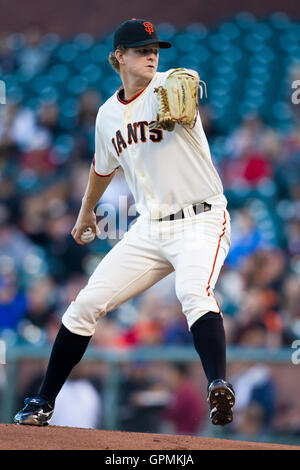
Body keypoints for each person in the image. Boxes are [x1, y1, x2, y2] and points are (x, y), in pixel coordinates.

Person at [14, 19, 235, 428]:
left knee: (193, 291)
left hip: (201, 219)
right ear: (118, 57)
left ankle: (218, 384)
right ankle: (42, 402)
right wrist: (85, 213)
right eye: (141, 49)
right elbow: (102, 169)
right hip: (150, 229)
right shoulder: (106, 115)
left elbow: (189, 81)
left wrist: (188, 90)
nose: (152, 54)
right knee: (84, 306)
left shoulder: (169, 86)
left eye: (155, 48)